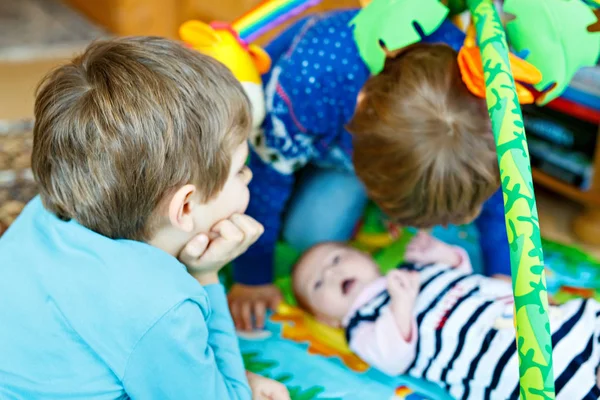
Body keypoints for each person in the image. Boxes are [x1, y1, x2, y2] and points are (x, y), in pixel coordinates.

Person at [0, 37, 288, 400]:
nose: (249, 179)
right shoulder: (162, 305)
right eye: (241, 171)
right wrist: (206, 276)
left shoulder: (40, 212)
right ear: (185, 207)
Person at [229, 9, 509, 331]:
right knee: (308, 238)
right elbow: (266, 180)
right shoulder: (311, 81)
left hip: (354, 141)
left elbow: (495, 190)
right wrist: (252, 277)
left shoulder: (479, 93)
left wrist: (504, 276)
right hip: (298, 133)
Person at [292, 233, 600, 399]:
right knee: (555, 379)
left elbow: (464, 277)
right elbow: (392, 358)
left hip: (528, 314)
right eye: (318, 284)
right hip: (494, 355)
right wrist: (400, 306)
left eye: (337, 258)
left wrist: (445, 256)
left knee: (586, 316)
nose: (332, 272)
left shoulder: (412, 268)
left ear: (366, 257)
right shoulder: (362, 326)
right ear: (327, 319)